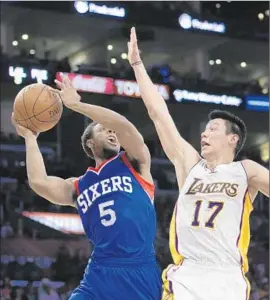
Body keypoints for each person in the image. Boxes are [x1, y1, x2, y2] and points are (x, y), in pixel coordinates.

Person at [127, 27, 269, 300]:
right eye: (204, 129)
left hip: (227, 275)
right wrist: (136, 64)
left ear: (233, 139)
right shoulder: (189, 163)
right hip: (187, 274)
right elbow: (158, 113)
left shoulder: (246, 170)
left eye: (213, 129)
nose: (204, 133)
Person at [11, 75, 161, 300]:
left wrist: (76, 105)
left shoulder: (134, 164)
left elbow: (123, 126)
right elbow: (39, 182)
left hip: (138, 270)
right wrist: (30, 138)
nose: (112, 133)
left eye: (112, 132)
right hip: (99, 273)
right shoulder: (79, 185)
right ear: (90, 142)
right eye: (104, 130)